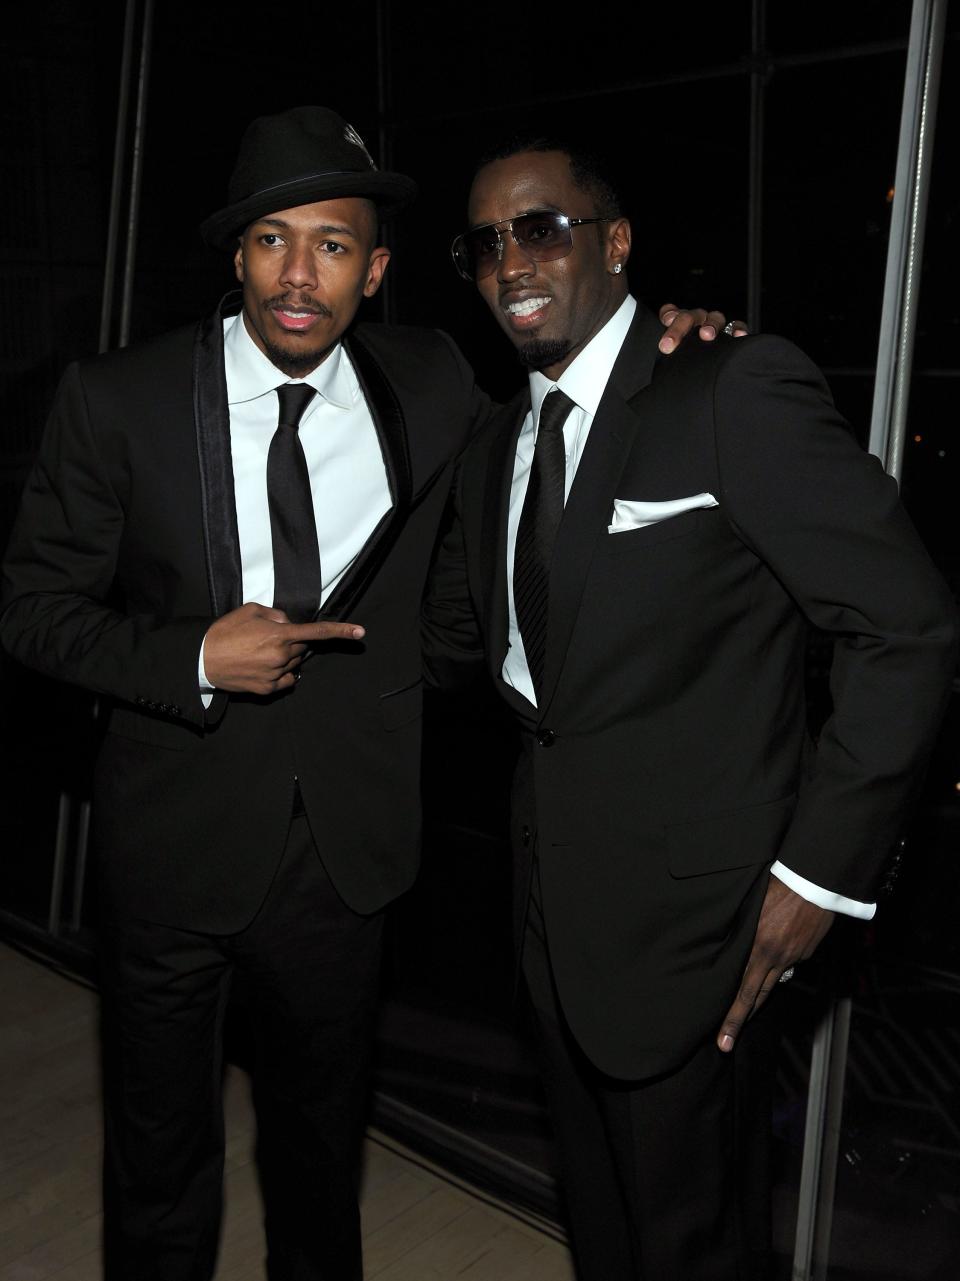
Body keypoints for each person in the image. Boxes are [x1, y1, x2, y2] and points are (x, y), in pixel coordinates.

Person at [0, 106, 728, 1281]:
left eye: (333, 246)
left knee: (320, 1162)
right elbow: (32, 611)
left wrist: (682, 335)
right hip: (172, 852)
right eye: (275, 241)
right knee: (158, 1166)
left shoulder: (432, 381)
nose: (300, 275)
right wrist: (190, 656)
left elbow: (569, 418)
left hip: (348, 857)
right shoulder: (116, 401)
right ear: (236, 256)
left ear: (375, 268)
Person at [421, 137, 958, 1281]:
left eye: (543, 227)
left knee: (696, 1251)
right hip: (550, 929)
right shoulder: (494, 444)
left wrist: (818, 878)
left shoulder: (727, 385)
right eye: (487, 242)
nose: (512, 259)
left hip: (704, 941)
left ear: (615, 245)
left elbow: (906, 626)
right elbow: (481, 662)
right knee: (608, 1239)